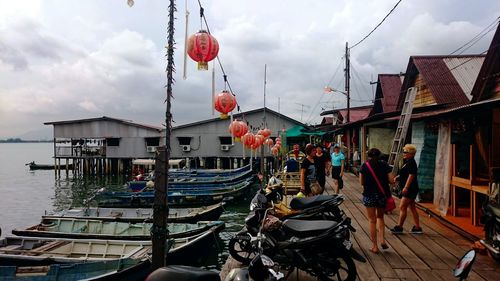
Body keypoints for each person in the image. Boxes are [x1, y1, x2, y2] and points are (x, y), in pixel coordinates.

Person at [359, 148, 394, 253]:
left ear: (368, 156)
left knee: (372, 220)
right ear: (379, 156)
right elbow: (391, 180)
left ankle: (375, 246)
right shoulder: (384, 165)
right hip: (382, 195)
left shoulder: (365, 166)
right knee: (380, 217)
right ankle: (382, 240)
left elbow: (361, 182)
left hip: (369, 195)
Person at [391, 144, 422, 234]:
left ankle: (399, 227)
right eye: (404, 152)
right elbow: (405, 173)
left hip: (410, 188)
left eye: (406, 152)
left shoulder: (411, 162)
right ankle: (417, 227)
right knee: (412, 207)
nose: (404, 153)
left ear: (411, 154)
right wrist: (398, 177)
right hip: (410, 188)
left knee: (402, 206)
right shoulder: (408, 161)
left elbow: (411, 175)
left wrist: (406, 187)